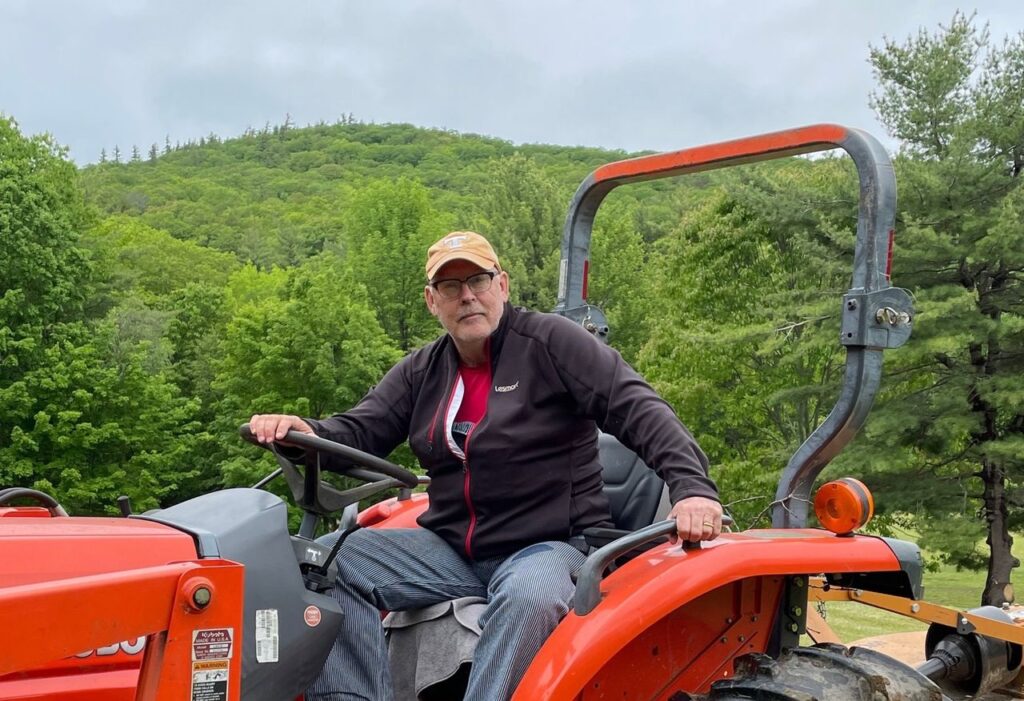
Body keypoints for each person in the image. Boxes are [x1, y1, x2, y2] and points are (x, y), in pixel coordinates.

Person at [249, 230, 723, 701]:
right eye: (451, 287)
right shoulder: (423, 370)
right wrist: (302, 434)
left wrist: (692, 488)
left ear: (503, 285)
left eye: (478, 280)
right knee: (327, 560)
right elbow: (356, 432)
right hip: (454, 549)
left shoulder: (550, 343)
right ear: (432, 301)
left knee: (528, 598)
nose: (468, 296)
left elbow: (637, 406)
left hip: (548, 544)